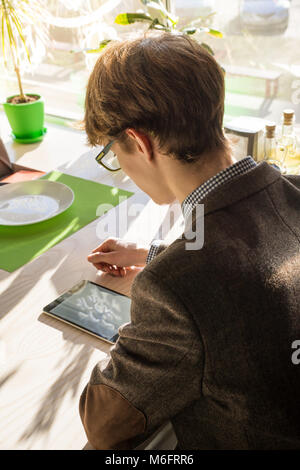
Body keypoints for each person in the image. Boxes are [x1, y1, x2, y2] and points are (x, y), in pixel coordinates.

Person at [79, 32, 300, 450]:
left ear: (140, 143)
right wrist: (151, 255)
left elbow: (103, 422)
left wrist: (147, 307)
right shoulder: (292, 190)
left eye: (113, 151)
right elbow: (252, 260)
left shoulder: (172, 289)